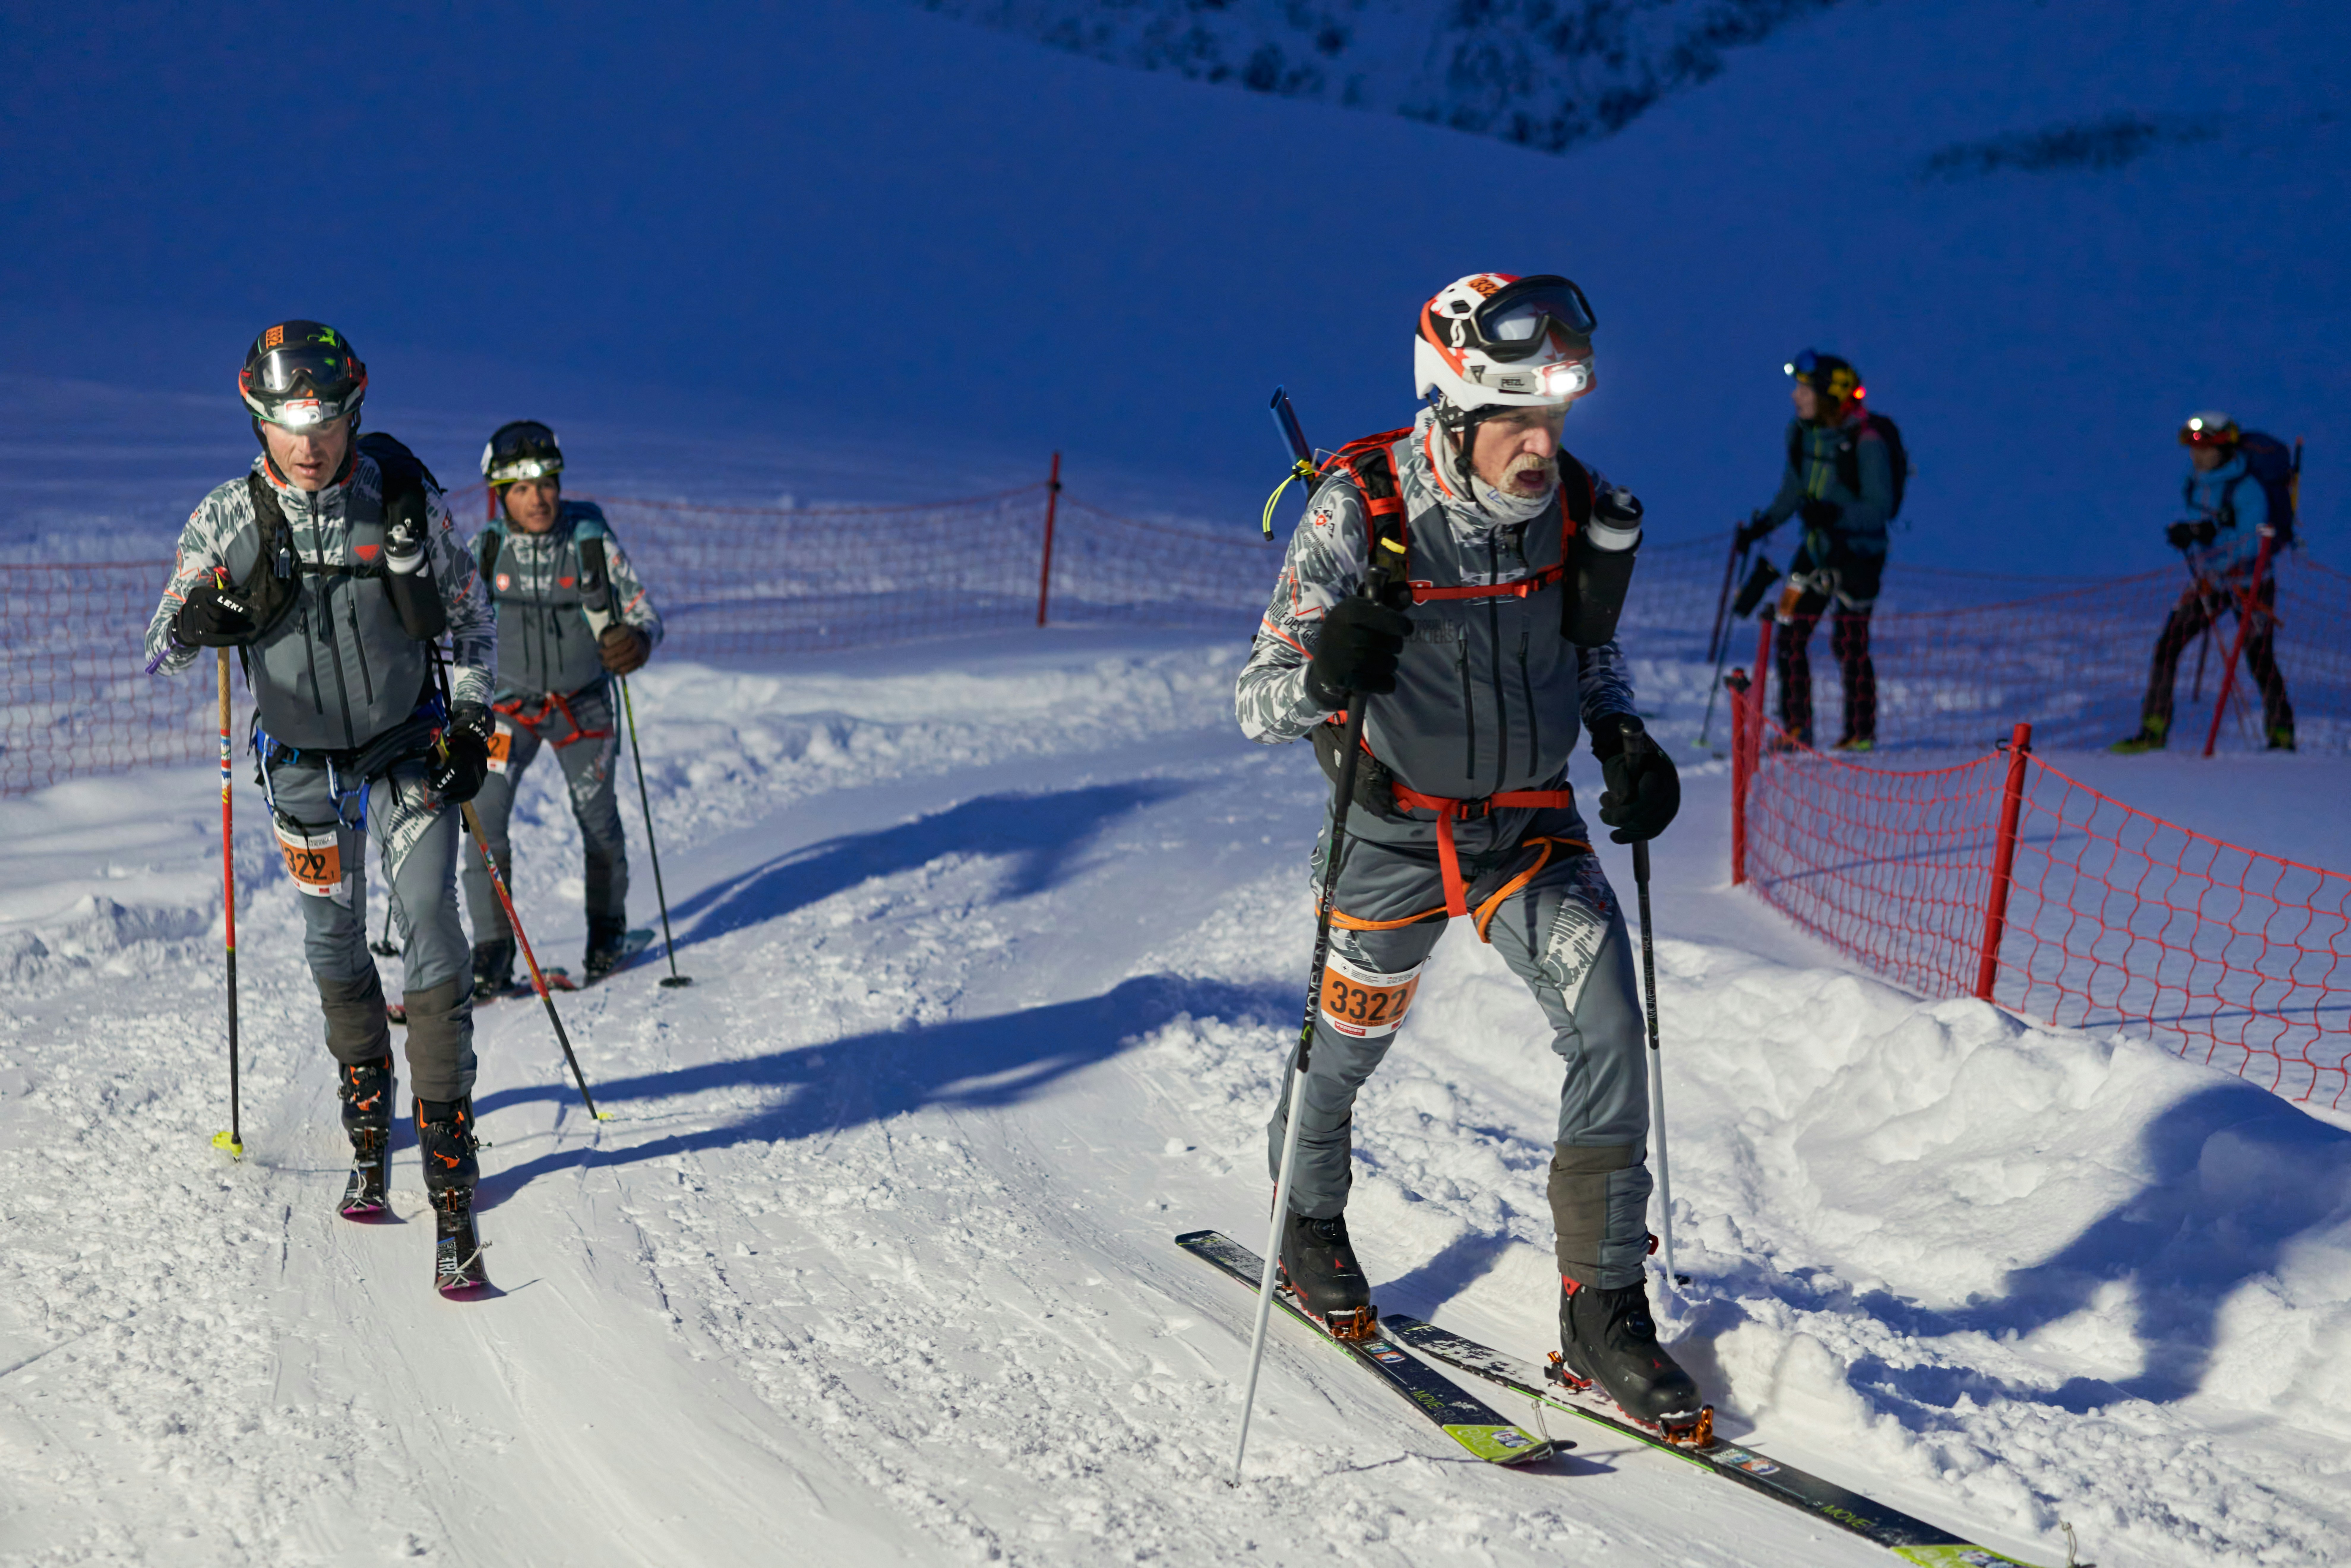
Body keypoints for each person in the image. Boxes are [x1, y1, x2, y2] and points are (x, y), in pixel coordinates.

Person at [1235, 273, 1701, 1434]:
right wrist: (1326, 673)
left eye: (1552, 421)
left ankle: (1600, 1310)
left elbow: (1590, 652)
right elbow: (1255, 700)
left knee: (1607, 1024)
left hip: (1526, 829)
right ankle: (1304, 1217)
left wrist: (1624, 735)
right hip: (1389, 831)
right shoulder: (1362, 509)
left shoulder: (1575, 504)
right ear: (1447, 410)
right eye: (1514, 421)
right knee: (1343, 1051)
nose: (1539, 448)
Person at [144, 321, 497, 1286]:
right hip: (300, 763)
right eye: (288, 423)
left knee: (430, 920)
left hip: (406, 743)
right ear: (258, 419)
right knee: (330, 940)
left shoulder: (401, 499)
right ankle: (367, 1121)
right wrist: (194, 620)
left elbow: (469, 614)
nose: (310, 444)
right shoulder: (231, 516)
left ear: (353, 410)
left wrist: (471, 724)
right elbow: (157, 642)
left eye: (327, 419)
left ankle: (453, 1168)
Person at [463, 421, 663, 990]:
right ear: (500, 495)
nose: (539, 498)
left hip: (584, 708)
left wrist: (639, 642)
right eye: (522, 489)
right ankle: (492, 953)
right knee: (484, 821)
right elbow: (455, 627)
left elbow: (647, 613)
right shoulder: (486, 550)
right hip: (508, 710)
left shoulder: (589, 540)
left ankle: (607, 937)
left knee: (598, 821)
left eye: (547, 483)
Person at [1734, 350, 1894, 750]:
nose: (1795, 397)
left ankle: (1860, 734)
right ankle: (1797, 731)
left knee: (1849, 642)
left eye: (1803, 389)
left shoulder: (1867, 441)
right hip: (1815, 551)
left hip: (1858, 557)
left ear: (1826, 395)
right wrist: (1764, 525)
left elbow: (1880, 508)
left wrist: (1833, 513)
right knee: (1789, 633)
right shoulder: (1801, 434)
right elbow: (1793, 491)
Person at [2111, 412, 2295, 753]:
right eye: (2194, 448)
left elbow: (2256, 541)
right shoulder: (2195, 481)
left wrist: (2207, 534)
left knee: (2259, 657)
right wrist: (2191, 535)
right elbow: (2205, 525)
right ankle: (2153, 729)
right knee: (2168, 646)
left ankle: (2282, 735)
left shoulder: (2247, 489)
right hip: (2211, 581)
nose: (2199, 455)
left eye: (2208, 448)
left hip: (2250, 583)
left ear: (2225, 448)